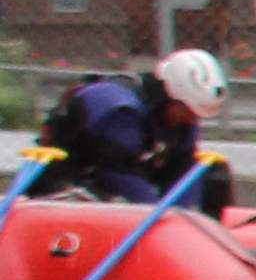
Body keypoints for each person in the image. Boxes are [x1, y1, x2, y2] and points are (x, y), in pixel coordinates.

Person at [37, 50, 233, 208]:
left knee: (213, 174)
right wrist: (162, 219)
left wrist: (181, 219)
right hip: (69, 182)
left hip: (126, 179)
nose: (192, 120)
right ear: (168, 96)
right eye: (188, 111)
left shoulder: (181, 120)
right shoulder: (119, 108)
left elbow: (179, 168)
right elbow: (120, 173)